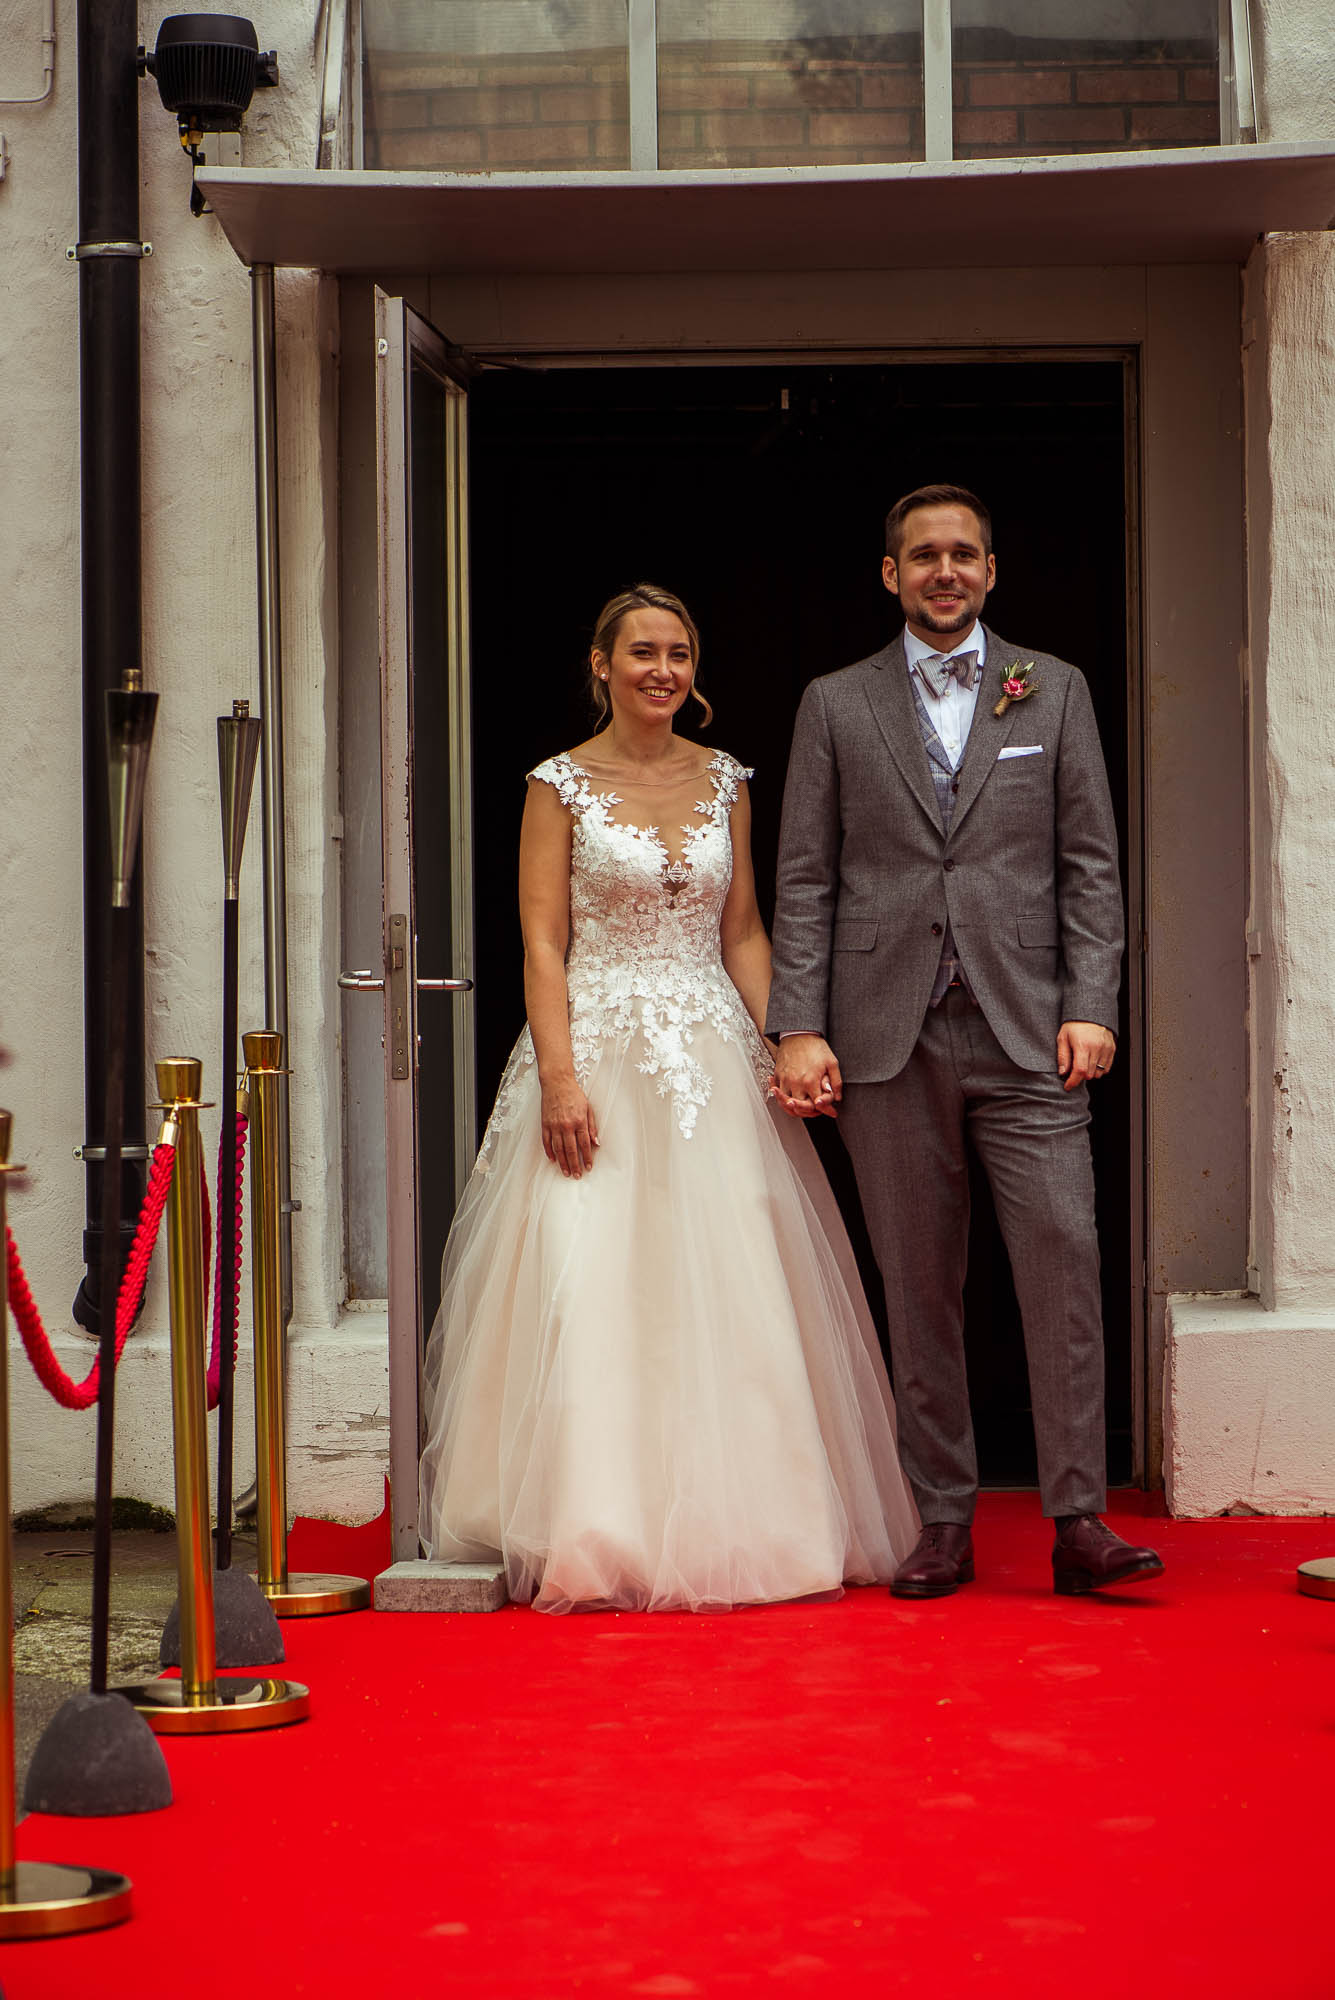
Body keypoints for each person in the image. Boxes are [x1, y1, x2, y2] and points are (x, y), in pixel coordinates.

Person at [418, 583, 918, 1612]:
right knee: (593, 1277)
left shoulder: (726, 777)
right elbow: (543, 942)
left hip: (710, 1056)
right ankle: (592, 1521)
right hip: (596, 1049)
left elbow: (743, 931)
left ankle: (751, 1521)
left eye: (678, 653)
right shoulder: (558, 784)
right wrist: (560, 1077)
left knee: (733, 1277)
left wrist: (786, 1040)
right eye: (642, 652)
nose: (662, 670)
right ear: (600, 664)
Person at [767, 485, 1165, 1600]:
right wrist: (798, 1023)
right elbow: (804, 877)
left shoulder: (1054, 687)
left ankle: (1078, 1518)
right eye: (923, 555)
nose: (944, 571)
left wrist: (1093, 1002)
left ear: (991, 570)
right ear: (889, 574)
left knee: (1063, 1264)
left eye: (963, 554)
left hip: (1030, 1029)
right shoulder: (835, 702)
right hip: (886, 1034)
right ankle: (940, 1517)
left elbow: (1090, 864)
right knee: (918, 1284)